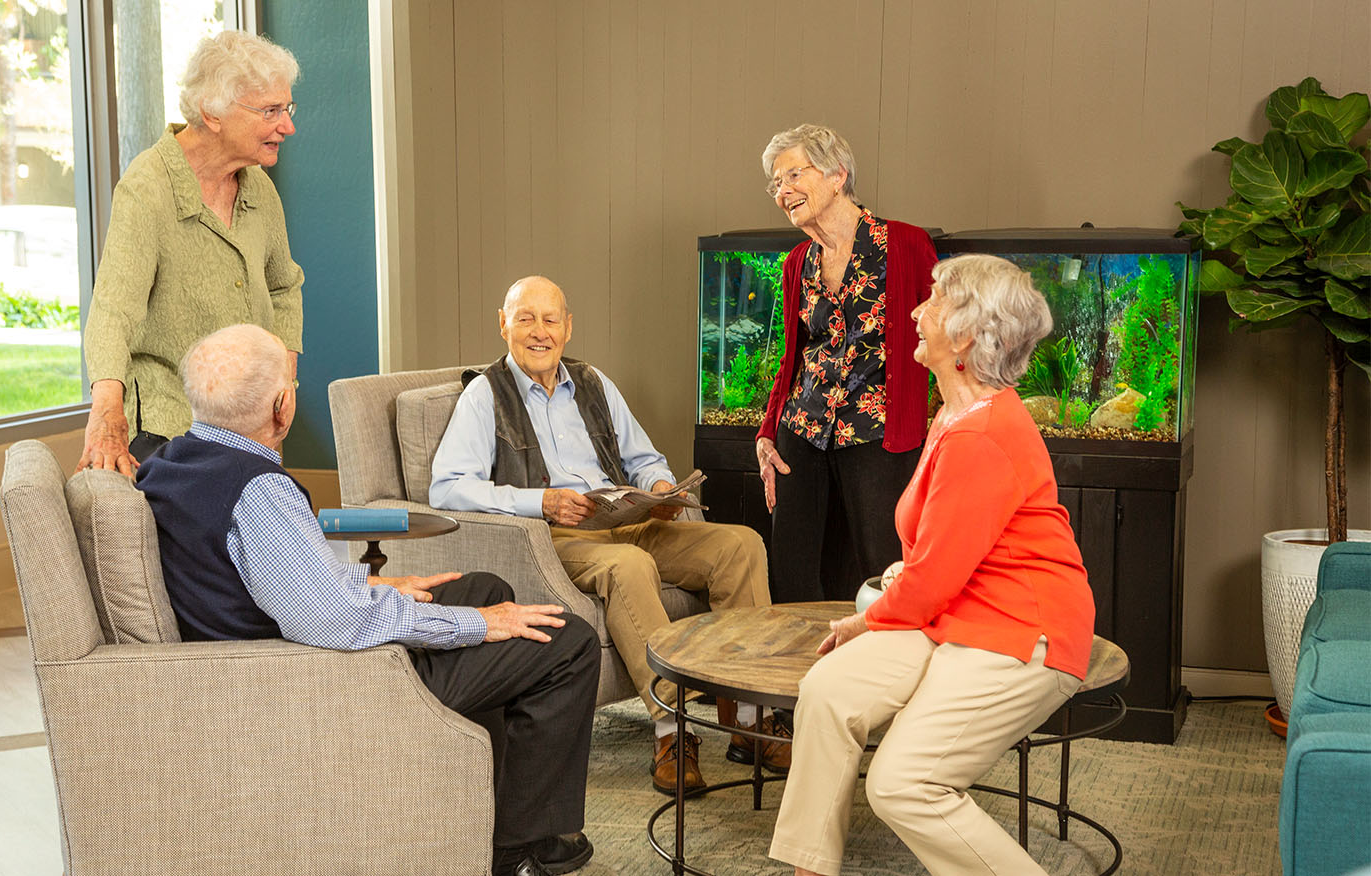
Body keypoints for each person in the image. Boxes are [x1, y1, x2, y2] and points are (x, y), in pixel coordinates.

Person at [136, 324, 599, 876]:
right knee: (567, 639)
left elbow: (268, 581)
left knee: (485, 587)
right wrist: (474, 625)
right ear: (283, 406)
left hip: (274, 657)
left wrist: (373, 586)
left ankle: (482, 809)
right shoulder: (258, 489)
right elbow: (335, 624)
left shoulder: (171, 461)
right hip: (321, 684)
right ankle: (517, 848)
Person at [767, 254, 1096, 876]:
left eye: (934, 301)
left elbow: (933, 579)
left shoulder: (980, 434)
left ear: (967, 334)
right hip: (955, 612)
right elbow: (942, 554)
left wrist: (866, 621)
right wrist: (902, 584)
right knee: (830, 690)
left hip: (1020, 631)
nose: (915, 313)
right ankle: (807, 866)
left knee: (901, 784)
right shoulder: (953, 414)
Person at [429, 276, 778, 796]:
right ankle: (671, 730)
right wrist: (540, 501)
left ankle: (749, 721)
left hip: (629, 519)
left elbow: (643, 459)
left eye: (550, 320)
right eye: (525, 318)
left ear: (568, 328)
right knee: (629, 568)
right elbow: (447, 488)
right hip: (561, 538)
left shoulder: (593, 382)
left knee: (739, 545)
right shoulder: (484, 395)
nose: (539, 332)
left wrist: (660, 488)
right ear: (503, 324)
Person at [79, 31, 306, 476]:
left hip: (253, 428)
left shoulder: (257, 185)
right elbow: (112, 310)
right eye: (271, 111)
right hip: (173, 432)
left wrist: (284, 380)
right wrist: (107, 413)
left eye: (287, 108)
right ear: (212, 113)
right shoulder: (149, 189)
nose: (288, 126)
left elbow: (284, 286)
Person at [755, 124, 938, 603]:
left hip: (879, 433)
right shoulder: (797, 261)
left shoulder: (907, 246)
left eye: (794, 174)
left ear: (838, 175)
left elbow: (943, 337)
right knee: (793, 578)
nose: (783, 190)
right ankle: (797, 676)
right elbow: (792, 358)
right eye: (776, 183)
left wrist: (947, 428)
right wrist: (767, 432)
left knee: (884, 573)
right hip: (803, 430)